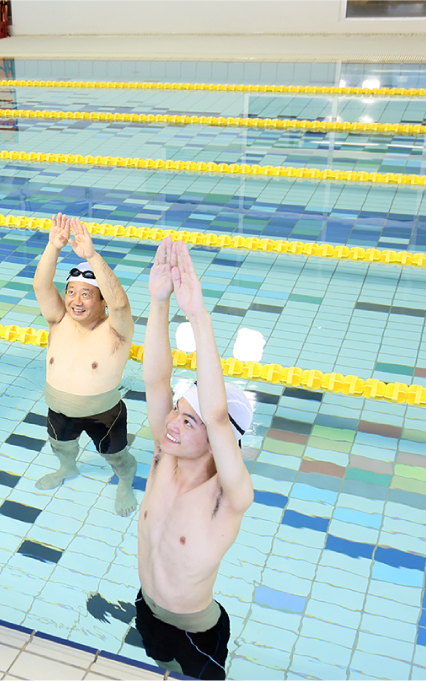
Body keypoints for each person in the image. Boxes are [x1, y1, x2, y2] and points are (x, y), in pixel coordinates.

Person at [136, 238, 255, 680]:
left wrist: (198, 316)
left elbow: (219, 418)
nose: (171, 423)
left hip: (197, 634)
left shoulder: (229, 496)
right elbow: (156, 380)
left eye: (189, 421)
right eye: (177, 412)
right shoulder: (163, 457)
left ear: (217, 442)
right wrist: (159, 302)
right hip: (147, 607)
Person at [32, 213, 137, 516]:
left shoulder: (115, 331)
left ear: (102, 301)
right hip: (58, 411)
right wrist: (53, 246)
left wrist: (91, 255)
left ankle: (125, 483)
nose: (76, 301)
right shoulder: (59, 320)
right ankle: (68, 468)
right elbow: (40, 285)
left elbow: (121, 304)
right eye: (72, 292)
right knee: (60, 446)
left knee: (116, 458)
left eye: (87, 294)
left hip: (103, 415)